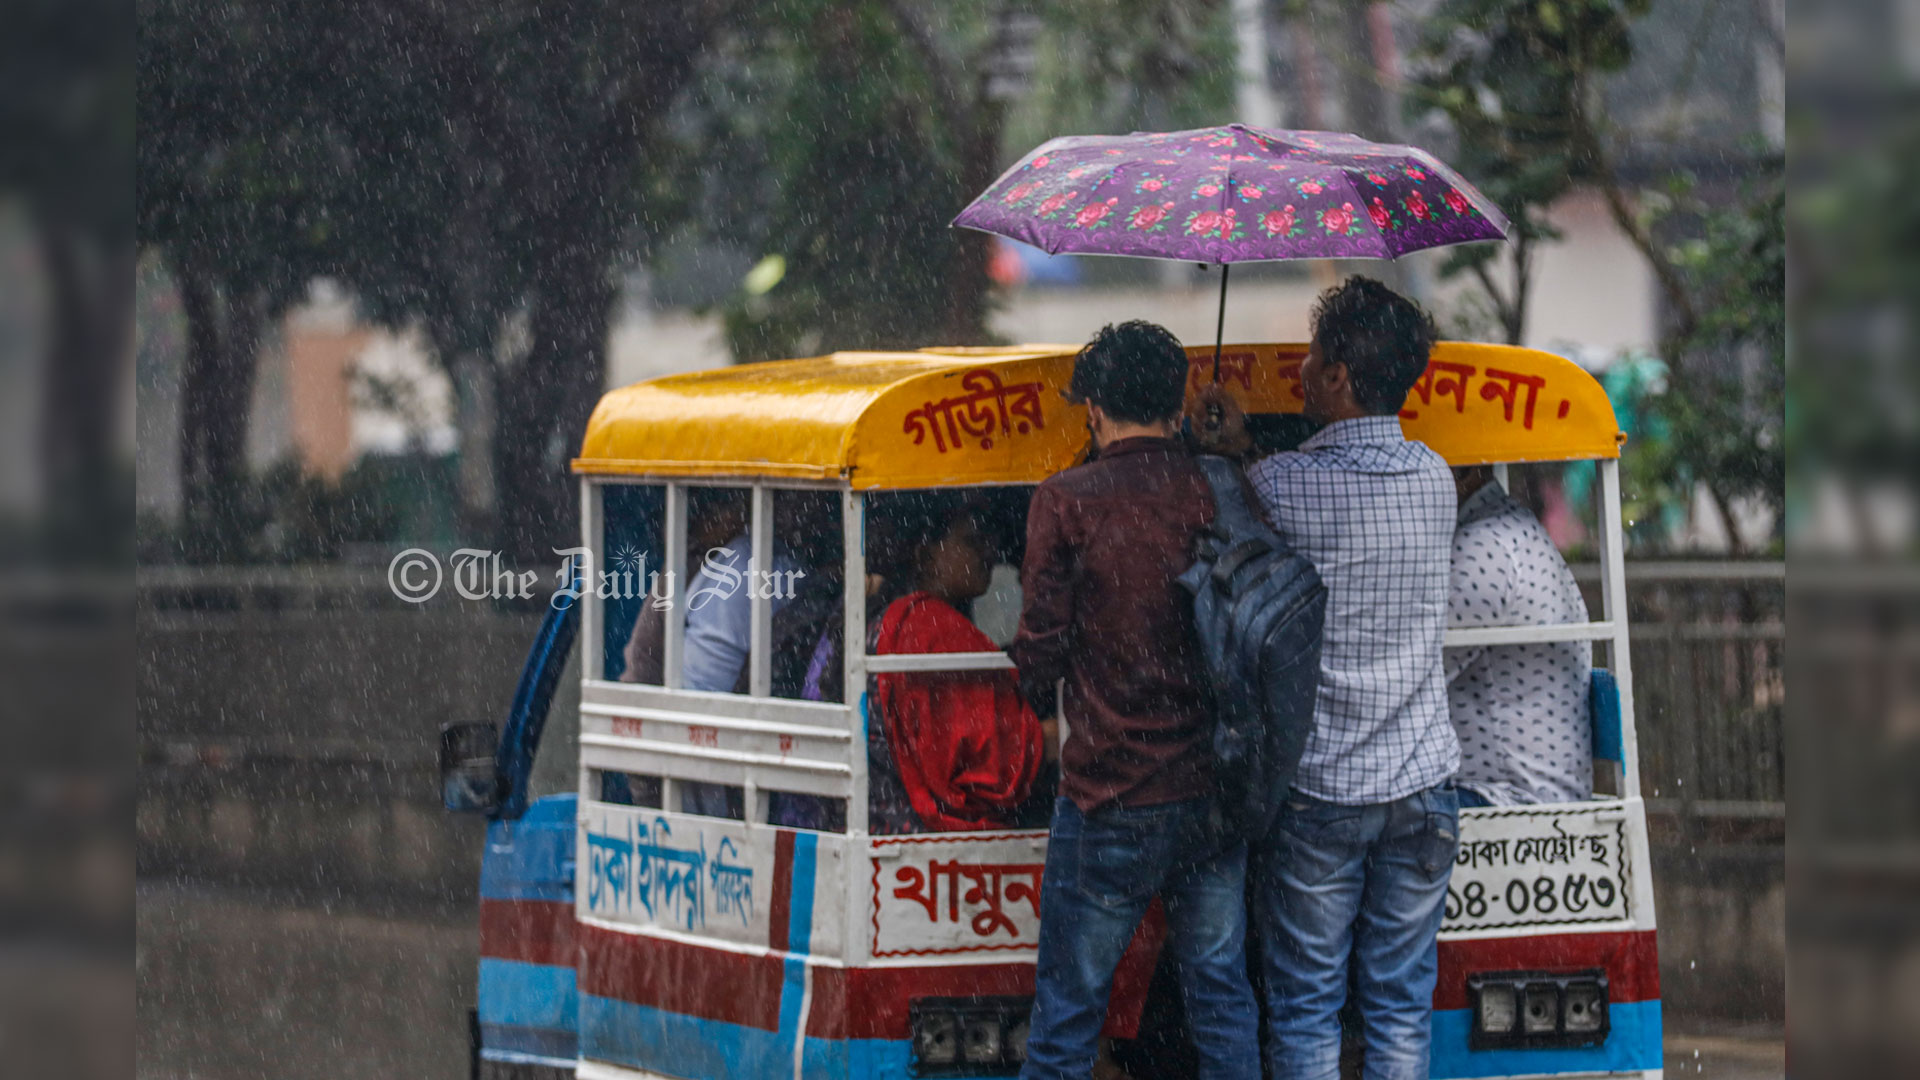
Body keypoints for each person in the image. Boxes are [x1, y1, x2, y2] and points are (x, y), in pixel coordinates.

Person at [1195, 276, 1460, 1080]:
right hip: (1424, 787)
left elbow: (1235, 531)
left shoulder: (1281, 485)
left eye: (1311, 360)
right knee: (1399, 1008)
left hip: (1325, 790)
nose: (1300, 374)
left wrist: (1229, 447)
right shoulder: (1438, 480)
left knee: (1308, 1009)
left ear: (1340, 375)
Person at [1012, 321, 1259, 1080]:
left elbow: (1041, 649)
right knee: (1221, 998)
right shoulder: (1216, 487)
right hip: (1213, 789)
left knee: (1067, 1016)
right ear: (1179, 399)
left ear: (1092, 409)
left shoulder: (1065, 500)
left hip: (1107, 794)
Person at [863, 492, 1054, 833]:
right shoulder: (932, 628)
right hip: (927, 840)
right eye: (971, 541)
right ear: (926, 555)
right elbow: (998, 760)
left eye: (989, 541)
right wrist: (1060, 735)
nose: (989, 553)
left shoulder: (892, 618)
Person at [1446, 466, 1592, 807]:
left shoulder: (1485, 547)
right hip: (1528, 789)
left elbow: (1407, 676)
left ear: (1459, 470)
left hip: (1505, 796)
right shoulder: (1506, 526)